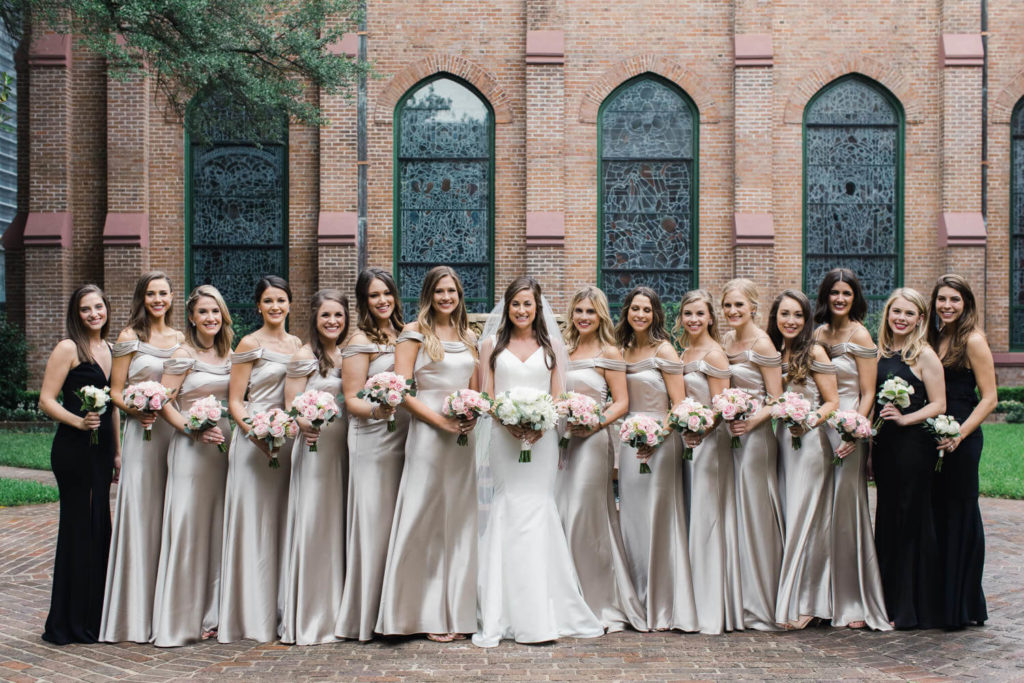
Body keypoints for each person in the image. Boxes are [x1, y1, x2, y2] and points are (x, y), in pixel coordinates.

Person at [472, 277, 604, 647]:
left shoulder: (553, 347)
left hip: (542, 440)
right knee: (508, 508)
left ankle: (545, 609)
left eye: (528, 303)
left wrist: (540, 426)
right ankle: (504, 611)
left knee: (537, 510)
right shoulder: (489, 346)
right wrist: (510, 424)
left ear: (538, 306)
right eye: (515, 303)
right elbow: (488, 396)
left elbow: (560, 400)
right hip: (504, 438)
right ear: (507, 306)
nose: (521, 310)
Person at [377, 266, 481, 642]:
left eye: (452, 290)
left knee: (458, 521)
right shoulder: (413, 333)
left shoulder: (469, 336)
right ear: (429, 294)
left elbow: (475, 389)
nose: (446, 297)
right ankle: (412, 612)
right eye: (439, 291)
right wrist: (440, 422)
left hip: (461, 439)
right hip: (427, 434)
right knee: (422, 516)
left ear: (459, 295)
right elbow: (401, 391)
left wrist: (471, 415)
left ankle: (454, 611)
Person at [219, 276, 303, 643]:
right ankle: (248, 614)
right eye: (268, 301)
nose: (275, 307)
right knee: (253, 525)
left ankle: (279, 608)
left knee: (282, 524)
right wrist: (256, 433)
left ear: (289, 304)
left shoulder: (298, 344)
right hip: (253, 441)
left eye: (281, 300)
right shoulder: (249, 343)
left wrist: (287, 429)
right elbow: (235, 400)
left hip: (287, 443)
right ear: (258, 306)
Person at [557, 286, 646, 633]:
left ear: (601, 316)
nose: (583, 317)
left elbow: (621, 402)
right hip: (564, 441)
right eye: (578, 311)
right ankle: (567, 596)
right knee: (563, 512)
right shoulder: (564, 350)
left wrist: (594, 422)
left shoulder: (611, 352)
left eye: (590, 312)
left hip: (593, 441)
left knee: (585, 515)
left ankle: (598, 602)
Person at [101, 272, 183, 643]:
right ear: (142, 297)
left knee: (172, 512)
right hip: (143, 433)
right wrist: (136, 409)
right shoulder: (129, 338)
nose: (158, 299)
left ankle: (169, 605)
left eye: (163, 293)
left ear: (171, 297)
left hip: (174, 433)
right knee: (142, 512)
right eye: (151, 294)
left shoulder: (181, 339)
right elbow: (115, 391)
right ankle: (133, 611)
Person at [151, 285, 234, 646]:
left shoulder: (231, 352)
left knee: (218, 529)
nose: (210, 318)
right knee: (188, 527)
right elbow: (163, 402)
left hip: (225, 450)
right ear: (191, 317)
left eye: (216, 312)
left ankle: (212, 613)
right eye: (203, 312)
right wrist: (191, 430)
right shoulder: (182, 354)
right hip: (191, 449)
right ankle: (179, 616)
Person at [40, 285, 120, 645]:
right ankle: (69, 622)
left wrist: (117, 453)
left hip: (102, 450)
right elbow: (46, 400)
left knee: (100, 525)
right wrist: (78, 421)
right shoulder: (68, 348)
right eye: (86, 309)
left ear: (106, 309)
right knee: (79, 527)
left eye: (98, 307)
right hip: (73, 449)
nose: (93, 314)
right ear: (77, 314)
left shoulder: (112, 350)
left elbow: (113, 407)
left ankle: (96, 615)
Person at [616, 286, 698, 633]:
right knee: (632, 520)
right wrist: (636, 437)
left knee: (659, 517)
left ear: (655, 315)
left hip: (662, 442)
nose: (640, 315)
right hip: (629, 441)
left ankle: (664, 603)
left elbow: (678, 403)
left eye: (646, 310)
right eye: (635, 308)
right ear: (627, 312)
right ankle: (636, 599)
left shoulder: (664, 349)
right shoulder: (622, 349)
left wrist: (656, 438)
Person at [335, 268, 410, 641]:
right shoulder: (360, 340)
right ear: (364, 301)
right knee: (374, 520)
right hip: (373, 438)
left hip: (407, 438)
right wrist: (379, 411)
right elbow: (351, 400)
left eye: (387, 293)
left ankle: (398, 608)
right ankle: (367, 614)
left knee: (401, 521)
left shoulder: (406, 333)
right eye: (373, 295)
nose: (382, 301)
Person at [813, 269, 889, 630]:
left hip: (848, 429)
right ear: (825, 296)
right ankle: (821, 597)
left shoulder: (860, 333)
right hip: (818, 430)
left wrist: (855, 432)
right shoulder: (818, 334)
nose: (839, 298)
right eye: (834, 293)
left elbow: (868, 391)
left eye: (846, 293)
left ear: (854, 297)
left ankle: (854, 599)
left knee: (846, 511)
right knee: (820, 512)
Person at [873, 288, 946, 629]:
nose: (900, 318)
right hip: (886, 447)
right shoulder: (880, 352)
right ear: (887, 314)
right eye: (895, 311)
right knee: (887, 517)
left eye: (908, 313)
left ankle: (913, 606)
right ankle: (885, 601)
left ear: (920, 318)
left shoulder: (924, 355)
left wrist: (906, 418)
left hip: (914, 447)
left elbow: (938, 405)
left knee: (910, 520)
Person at [280, 290, 350, 645]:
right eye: (326, 316)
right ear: (314, 318)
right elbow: (291, 404)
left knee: (340, 523)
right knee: (315, 522)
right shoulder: (303, 356)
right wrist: (305, 423)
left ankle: (340, 610)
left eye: (338, 315)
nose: (332, 322)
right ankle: (310, 615)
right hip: (316, 445)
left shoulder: (348, 354)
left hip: (346, 449)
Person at [768, 289, 839, 630]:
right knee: (785, 515)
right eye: (785, 314)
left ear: (807, 319)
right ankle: (788, 595)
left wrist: (808, 421)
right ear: (775, 317)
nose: (791, 321)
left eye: (797, 315)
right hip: (780, 442)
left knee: (805, 518)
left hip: (809, 442)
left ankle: (809, 602)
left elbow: (831, 401)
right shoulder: (772, 350)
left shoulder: (815, 352)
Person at [927, 274, 995, 628]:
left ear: (966, 302)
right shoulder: (936, 337)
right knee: (938, 513)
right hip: (935, 438)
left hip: (962, 440)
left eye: (954, 300)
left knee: (960, 515)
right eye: (942, 300)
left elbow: (990, 397)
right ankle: (941, 598)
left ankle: (963, 603)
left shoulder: (973, 340)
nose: (947, 306)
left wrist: (960, 434)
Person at [675, 289, 743, 634]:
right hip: (688, 442)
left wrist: (701, 431)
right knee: (692, 517)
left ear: (711, 318)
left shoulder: (715, 355)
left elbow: (722, 404)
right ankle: (689, 600)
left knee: (707, 519)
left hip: (709, 444)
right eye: (688, 314)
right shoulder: (683, 351)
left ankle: (710, 608)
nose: (694, 320)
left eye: (700, 314)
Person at [720, 278, 784, 631]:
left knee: (755, 512)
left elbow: (776, 398)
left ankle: (761, 600)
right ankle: (736, 596)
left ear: (753, 307)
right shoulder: (726, 340)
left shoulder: (763, 343)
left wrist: (751, 421)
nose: (732, 311)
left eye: (739, 306)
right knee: (734, 511)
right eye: (728, 305)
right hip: (730, 435)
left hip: (756, 438)